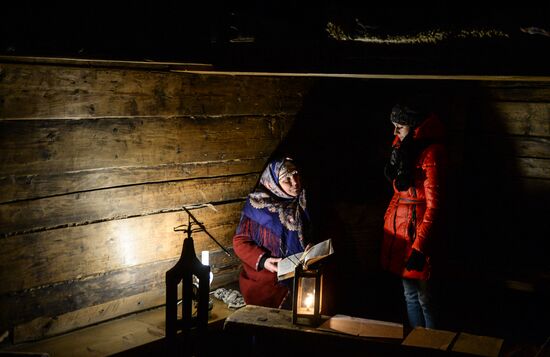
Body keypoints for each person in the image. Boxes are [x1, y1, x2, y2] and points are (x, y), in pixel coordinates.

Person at [381, 102, 447, 329]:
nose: (395, 132)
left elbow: (435, 206)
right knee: (409, 294)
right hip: (401, 232)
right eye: (394, 126)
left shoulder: (431, 153)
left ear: (415, 126)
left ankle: (433, 345)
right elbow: (399, 194)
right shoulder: (401, 148)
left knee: (426, 298)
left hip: (418, 233)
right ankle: (415, 343)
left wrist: (420, 246)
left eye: (400, 126)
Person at [233, 157, 311, 308]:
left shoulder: (302, 202)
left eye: (296, 175)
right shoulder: (257, 206)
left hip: (301, 274)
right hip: (270, 277)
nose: (295, 183)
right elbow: (240, 242)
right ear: (273, 182)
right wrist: (263, 261)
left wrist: (310, 247)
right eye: (287, 180)